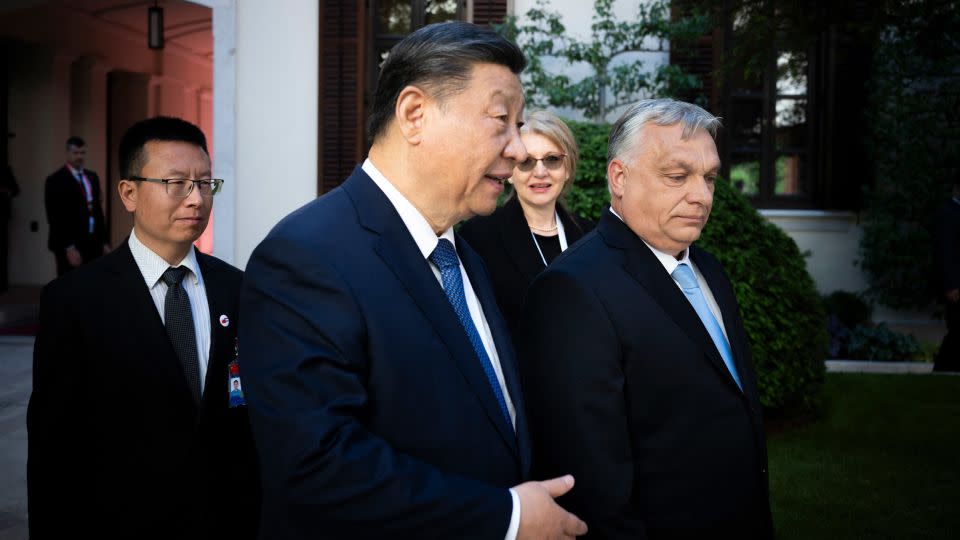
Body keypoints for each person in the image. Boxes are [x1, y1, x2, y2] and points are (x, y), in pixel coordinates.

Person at [240, 21, 586, 540]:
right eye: (501, 120)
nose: (516, 149)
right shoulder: (304, 257)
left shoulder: (465, 255)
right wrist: (507, 517)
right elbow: (317, 467)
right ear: (414, 114)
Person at [519, 99, 773, 539]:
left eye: (709, 177)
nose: (702, 195)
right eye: (677, 176)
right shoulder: (572, 289)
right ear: (619, 177)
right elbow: (594, 483)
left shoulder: (708, 268)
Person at [27, 117, 260, 540]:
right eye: (176, 183)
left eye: (205, 183)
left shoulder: (237, 289)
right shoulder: (75, 300)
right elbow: (54, 451)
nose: (196, 199)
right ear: (129, 193)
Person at [459, 110, 594, 340]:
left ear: (567, 168)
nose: (540, 172)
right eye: (526, 162)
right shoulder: (478, 237)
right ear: (510, 171)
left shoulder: (592, 236)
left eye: (552, 160)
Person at [44, 136, 110, 276]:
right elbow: (55, 217)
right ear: (68, 153)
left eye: (82, 153)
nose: (79, 156)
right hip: (70, 242)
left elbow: (97, 210)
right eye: (75, 153)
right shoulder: (55, 180)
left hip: (92, 240)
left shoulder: (92, 177)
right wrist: (69, 247)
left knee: (92, 283)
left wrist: (104, 241)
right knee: (69, 285)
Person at [932, 180, 960, 372]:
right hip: (956, 286)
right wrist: (951, 285)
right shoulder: (947, 213)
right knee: (957, 329)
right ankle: (942, 370)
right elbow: (945, 251)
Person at [0, 163, 19, 291]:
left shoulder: (4, 169)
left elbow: (15, 190)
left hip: (1, 215)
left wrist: (5, 191)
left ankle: (2, 285)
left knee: (2, 249)